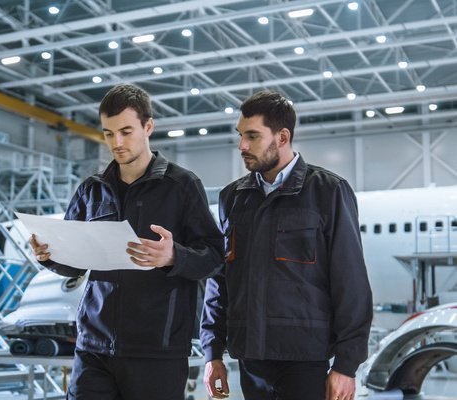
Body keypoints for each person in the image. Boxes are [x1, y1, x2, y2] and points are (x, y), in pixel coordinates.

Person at [30, 84, 223, 400]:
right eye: (108, 134)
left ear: (148, 127)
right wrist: (49, 255)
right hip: (93, 344)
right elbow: (74, 264)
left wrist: (174, 256)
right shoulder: (91, 190)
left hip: (156, 350)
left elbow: (214, 256)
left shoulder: (182, 186)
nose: (116, 143)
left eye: (126, 131)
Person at [200, 90, 373, 400]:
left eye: (252, 136)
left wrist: (346, 365)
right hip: (250, 359)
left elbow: (352, 283)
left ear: (282, 136)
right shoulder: (232, 198)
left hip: (304, 359)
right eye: (240, 135)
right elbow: (220, 281)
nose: (242, 145)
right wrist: (212, 351)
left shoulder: (328, 192)